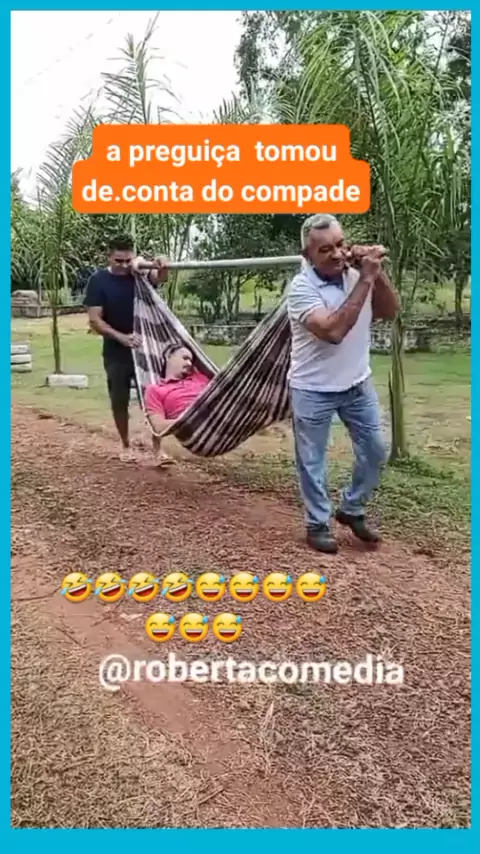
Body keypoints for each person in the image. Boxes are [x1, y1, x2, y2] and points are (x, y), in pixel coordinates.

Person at [286, 214, 400, 554]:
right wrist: (365, 279)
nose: (337, 254)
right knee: (312, 461)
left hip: (357, 383)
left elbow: (389, 310)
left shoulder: (356, 276)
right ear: (307, 255)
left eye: (340, 244)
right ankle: (317, 524)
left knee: (375, 451)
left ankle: (352, 508)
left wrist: (376, 272)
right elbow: (333, 331)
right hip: (312, 388)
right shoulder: (301, 289)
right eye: (325, 250)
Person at [84, 234, 169, 462]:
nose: (123, 265)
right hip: (116, 352)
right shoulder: (98, 281)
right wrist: (121, 338)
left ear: (133, 256)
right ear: (109, 257)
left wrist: (162, 264)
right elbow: (95, 319)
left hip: (146, 350)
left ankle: (158, 450)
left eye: (127, 260)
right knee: (119, 400)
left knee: (153, 400)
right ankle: (125, 445)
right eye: (118, 261)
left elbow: (159, 277)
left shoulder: (140, 272)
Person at [144, 343, 211, 465]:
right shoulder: (156, 389)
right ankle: (158, 451)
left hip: (218, 420)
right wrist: (190, 420)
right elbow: (158, 427)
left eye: (191, 361)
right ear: (169, 356)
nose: (189, 363)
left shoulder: (199, 378)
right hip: (193, 430)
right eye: (185, 358)